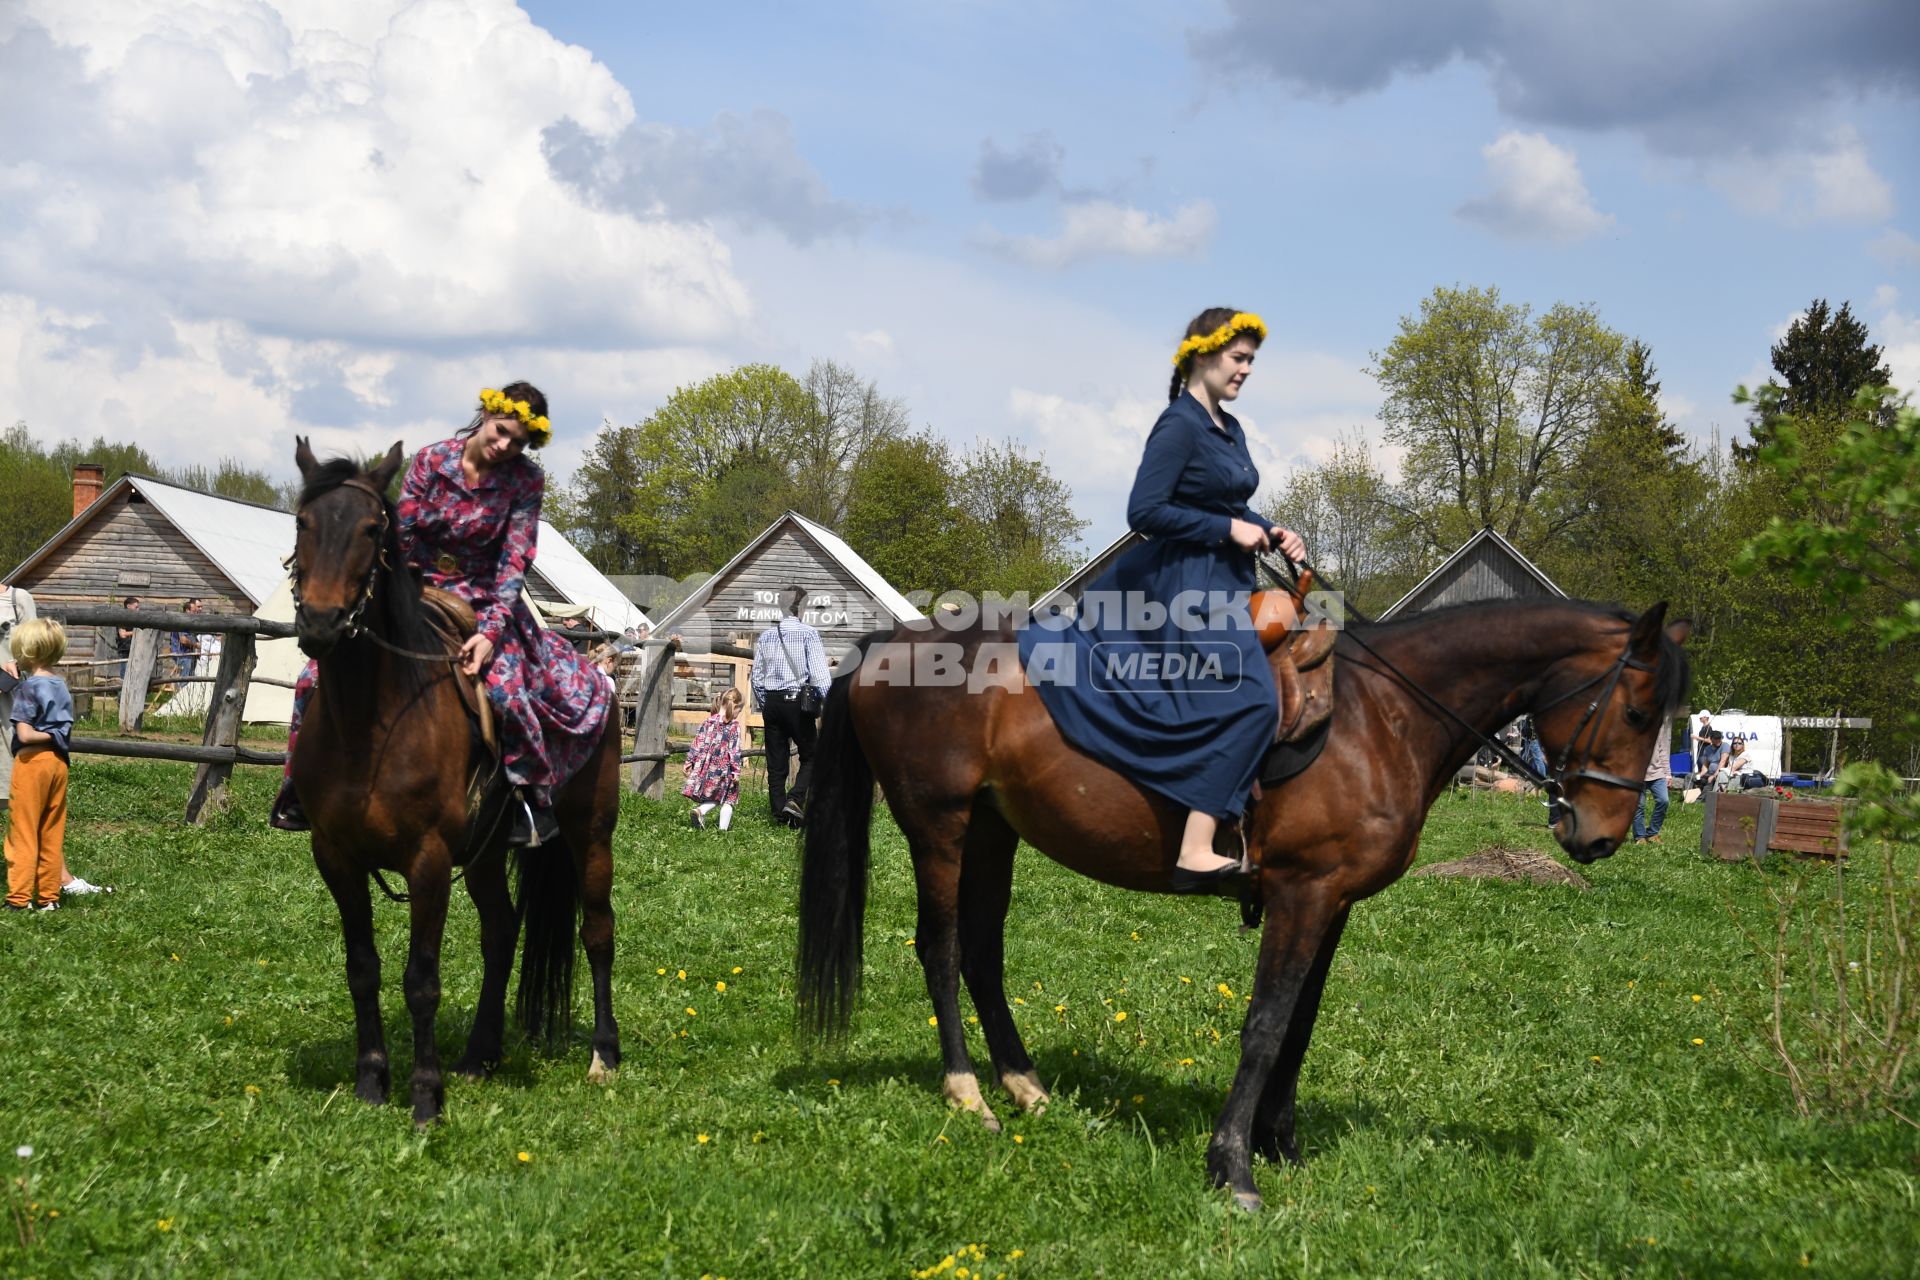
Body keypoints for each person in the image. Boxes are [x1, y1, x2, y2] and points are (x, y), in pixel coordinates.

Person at [1017, 307, 1306, 892]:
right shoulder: (1177, 425)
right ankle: (1196, 847)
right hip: (1181, 585)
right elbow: (1144, 512)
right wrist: (1229, 531)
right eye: (1239, 358)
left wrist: (1271, 529)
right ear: (1203, 354)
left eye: (1252, 360)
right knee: (1252, 702)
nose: (1247, 370)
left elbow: (1229, 505)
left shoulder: (1229, 427)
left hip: (1225, 579)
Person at [272, 382, 615, 847]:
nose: (505, 446)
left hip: (486, 600)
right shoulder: (432, 460)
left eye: (517, 442)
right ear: (486, 415)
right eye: (501, 432)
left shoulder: (526, 483)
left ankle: (527, 801)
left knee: (509, 692)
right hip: (417, 589)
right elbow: (404, 532)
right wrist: (394, 596)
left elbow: (514, 561)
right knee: (312, 679)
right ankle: (298, 787)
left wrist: (492, 633)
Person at [4, 619, 73, 912]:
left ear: (25, 650)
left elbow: (24, 734)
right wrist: (59, 735)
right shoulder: (61, 685)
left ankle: (19, 899)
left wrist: (49, 734)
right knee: (51, 829)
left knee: (23, 831)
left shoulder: (27, 688)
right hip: (58, 763)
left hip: (32, 762)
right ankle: (48, 897)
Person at [751, 585, 830, 828]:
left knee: (776, 762)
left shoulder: (766, 636)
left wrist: (767, 703)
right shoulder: (808, 634)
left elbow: (756, 678)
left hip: (772, 703)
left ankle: (779, 813)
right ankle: (795, 800)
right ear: (802, 607)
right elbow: (820, 676)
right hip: (797, 703)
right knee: (813, 756)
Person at [682, 687, 749, 831]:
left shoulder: (708, 721)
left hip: (706, 767)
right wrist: (736, 771)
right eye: (739, 711)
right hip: (724, 769)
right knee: (728, 799)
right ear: (735, 706)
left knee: (714, 796)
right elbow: (734, 750)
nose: (738, 714)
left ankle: (700, 812)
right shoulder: (733, 726)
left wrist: (690, 761)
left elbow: (697, 742)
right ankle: (720, 830)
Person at [1631, 716, 1672, 843]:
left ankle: (1653, 833)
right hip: (1637, 774)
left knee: (1663, 800)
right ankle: (1640, 837)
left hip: (1657, 772)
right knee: (1639, 806)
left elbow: (1662, 751)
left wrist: (1668, 773)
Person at [113, 595, 139, 684]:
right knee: (124, 676)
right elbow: (123, 634)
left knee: (135, 675)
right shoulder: (122, 618)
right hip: (125, 651)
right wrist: (136, 633)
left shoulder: (135, 619)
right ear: (128, 606)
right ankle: (121, 697)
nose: (137, 609)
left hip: (135, 650)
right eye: (136, 607)